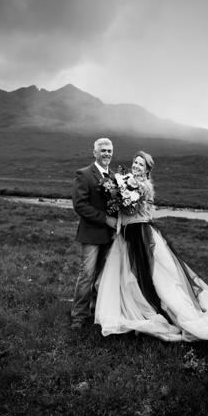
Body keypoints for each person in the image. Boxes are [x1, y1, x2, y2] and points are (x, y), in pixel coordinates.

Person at [93, 151, 208, 349]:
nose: (137, 166)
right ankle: (128, 306)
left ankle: (157, 308)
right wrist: (118, 194)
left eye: (141, 164)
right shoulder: (126, 180)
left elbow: (133, 209)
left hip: (142, 235)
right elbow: (122, 206)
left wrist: (125, 197)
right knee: (126, 275)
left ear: (147, 169)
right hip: (126, 234)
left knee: (153, 275)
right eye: (135, 162)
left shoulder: (144, 187)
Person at [69, 137, 120, 330]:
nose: (107, 153)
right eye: (103, 150)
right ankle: (79, 317)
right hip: (91, 234)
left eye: (109, 150)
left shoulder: (115, 177)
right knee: (87, 275)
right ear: (95, 153)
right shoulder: (84, 174)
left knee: (102, 276)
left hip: (109, 236)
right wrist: (105, 219)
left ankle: (97, 310)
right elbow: (80, 205)